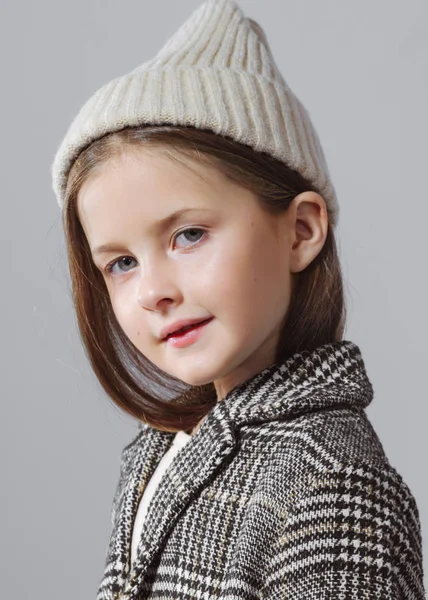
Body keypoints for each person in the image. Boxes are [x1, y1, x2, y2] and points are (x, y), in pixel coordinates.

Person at [50, 0, 425, 598]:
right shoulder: (158, 451)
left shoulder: (333, 487)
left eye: (188, 235)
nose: (153, 292)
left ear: (300, 230)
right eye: (121, 263)